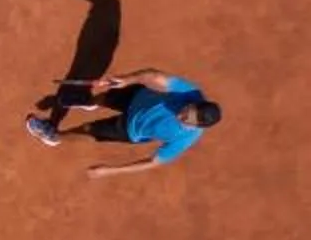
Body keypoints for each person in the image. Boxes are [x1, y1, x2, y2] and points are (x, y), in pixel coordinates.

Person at [26, 69, 221, 177]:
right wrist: (127, 80)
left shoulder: (185, 139)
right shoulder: (189, 93)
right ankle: (89, 103)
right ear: (195, 103)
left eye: (186, 120)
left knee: (88, 131)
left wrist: (110, 170)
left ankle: (53, 136)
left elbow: (153, 162)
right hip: (138, 97)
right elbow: (152, 75)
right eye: (186, 110)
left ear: (197, 127)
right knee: (105, 96)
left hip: (130, 129)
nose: (180, 115)